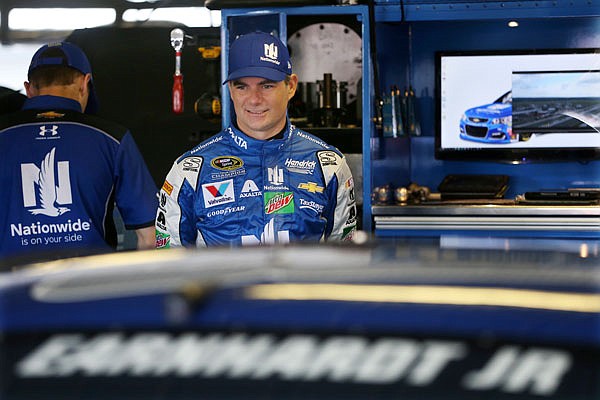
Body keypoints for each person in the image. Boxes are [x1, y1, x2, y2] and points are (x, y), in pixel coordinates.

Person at [156, 31, 357, 248]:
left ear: (290, 86)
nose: (254, 99)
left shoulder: (328, 165)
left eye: (267, 85)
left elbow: (344, 260)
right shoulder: (191, 171)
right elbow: (167, 263)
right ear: (230, 91)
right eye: (242, 86)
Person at [0, 41, 157, 263]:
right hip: (89, 287)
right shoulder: (112, 138)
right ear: (85, 83)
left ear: (28, 89)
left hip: (12, 290)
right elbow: (150, 237)